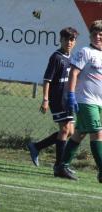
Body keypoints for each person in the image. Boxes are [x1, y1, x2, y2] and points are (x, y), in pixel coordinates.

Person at [54, 20, 102, 181]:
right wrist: (71, 94)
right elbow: (73, 73)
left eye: (100, 34)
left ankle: (62, 166)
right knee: (97, 132)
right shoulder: (85, 51)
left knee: (80, 133)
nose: (97, 37)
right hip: (85, 100)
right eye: (94, 34)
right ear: (90, 35)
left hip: (98, 102)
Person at [27, 27, 79, 175]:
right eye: (66, 39)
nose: (69, 42)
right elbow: (47, 79)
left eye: (72, 39)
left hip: (67, 98)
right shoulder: (56, 57)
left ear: (75, 42)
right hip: (57, 98)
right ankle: (59, 165)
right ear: (60, 40)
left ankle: (36, 147)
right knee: (64, 129)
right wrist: (45, 99)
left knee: (70, 131)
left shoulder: (71, 57)